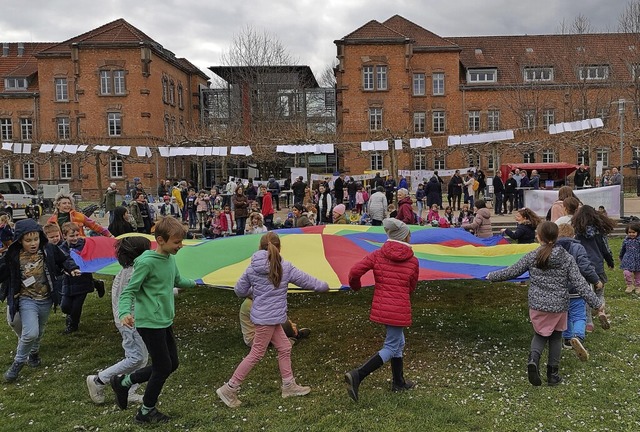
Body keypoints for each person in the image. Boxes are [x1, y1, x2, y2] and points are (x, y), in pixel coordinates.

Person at [216, 232, 329, 408]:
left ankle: (289, 385)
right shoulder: (285, 267)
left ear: (259, 247)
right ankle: (229, 388)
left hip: (268, 317)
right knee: (256, 354)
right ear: (279, 247)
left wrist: (254, 293)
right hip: (267, 320)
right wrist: (324, 286)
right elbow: (307, 281)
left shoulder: (252, 268)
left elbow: (239, 290)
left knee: (284, 347)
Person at [487, 222, 605, 387]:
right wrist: (596, 303)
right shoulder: (566, 258)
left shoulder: (532, 255)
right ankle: (552, 374)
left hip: (537, 305)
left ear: (539, 237)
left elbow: (511, 271)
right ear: (556, 237)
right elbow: (580, 284)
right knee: (556, 337)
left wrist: (491, 276)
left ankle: (533, 360)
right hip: (559, 306)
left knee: (540, 335)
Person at [111, 216, 203, 423]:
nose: (181, 246)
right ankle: (145, 412)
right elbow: (128, 291)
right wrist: (124, 312)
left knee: (172, 364)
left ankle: (124, 382)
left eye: (181, 241)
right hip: (149, 323)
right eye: (177, 242)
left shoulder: (169, 259)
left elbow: (176, 280)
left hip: (164, 320)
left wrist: (195, 283)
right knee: (162, 367)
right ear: (160, 240)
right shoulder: (146, 263)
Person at [345, 218, 419, 401]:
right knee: (392, 346)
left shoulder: (377, 254)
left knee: (398, 343)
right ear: (405, 237)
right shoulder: (413, 261)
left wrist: (355, 286)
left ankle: (398, 382)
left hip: (382, 306)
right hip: (399, 308)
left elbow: (355, 272)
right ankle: (358, 375)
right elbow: (411, 286)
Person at [1, 219, 81, 382]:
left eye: (36, 239)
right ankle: (18, 363)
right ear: (19, 240)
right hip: (26, 298)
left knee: (40, 328)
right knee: (31, 332)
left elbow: (64, 259)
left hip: (46, 298)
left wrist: (72, 268)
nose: (33, 243)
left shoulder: (48, 249)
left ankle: (34, 352)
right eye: (28, 240)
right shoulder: (12, 256)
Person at [86, 236, 150, 405]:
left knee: (141, 357)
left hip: (129, 320)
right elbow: (147, 292)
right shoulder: (134, 273)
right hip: (130, 321)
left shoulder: (127, 270)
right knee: (135, 357)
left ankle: (128, 389)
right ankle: (99, 380)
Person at [556, 223, 602, 361]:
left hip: (560, 290)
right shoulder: (578, 247)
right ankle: (578, 336)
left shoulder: (553, 248)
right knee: (579, 315)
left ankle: (567, 339)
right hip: (577, 289)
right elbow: (585, 267)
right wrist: (595, 280)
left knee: (565, 315)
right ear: (573, 235)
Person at [572, 205, 615, 333]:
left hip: (582, 266)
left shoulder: (577, 232)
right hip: (598, 266)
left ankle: (589, 322)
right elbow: (606, 249)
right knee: (599, 292)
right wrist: (610, 261)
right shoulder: (600, 232)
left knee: (586, 294)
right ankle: (601, 311)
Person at [59, 222, 103, 334]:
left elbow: (95, 251)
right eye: (72, 236)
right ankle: (96, 283)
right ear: (64, 236)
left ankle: (73, 325)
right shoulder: (61, 249)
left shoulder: (84, 245)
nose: (75, 238)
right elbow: (61, 262)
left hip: (83, 280)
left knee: (76, 307)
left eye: (77, 235)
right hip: (68, 281)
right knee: (65, 306)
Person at [239, 298, 310, 347]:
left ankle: (293, 334)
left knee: (285, 323)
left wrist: (290, 323)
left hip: (265, 331)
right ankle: (291, 337)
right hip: (254, 339)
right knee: (284, 324)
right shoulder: (249, 304)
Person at [620, 222, 640, 294]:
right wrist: (621, 256)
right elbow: (623, 249)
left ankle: (638, 286)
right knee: (626, 272)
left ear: (637, 232)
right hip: (628, 259)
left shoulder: (639, 240)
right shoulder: (626, 240)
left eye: (633, 232)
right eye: (629, 232)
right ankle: (630, 285)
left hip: (638, 260)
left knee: (638, 274)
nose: (631, 234)